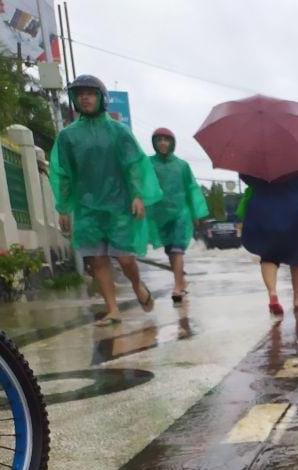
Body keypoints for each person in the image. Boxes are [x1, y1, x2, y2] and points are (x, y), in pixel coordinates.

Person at [49, 74, 163, 326]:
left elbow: (133, 165)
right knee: (97, 259)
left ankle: (136, 283)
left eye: (90, 93)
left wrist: (137, 195)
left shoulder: (118, 132)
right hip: (87, 207)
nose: (85, 98)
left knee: (124, 258)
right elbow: (64, 173)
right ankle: (112, 310)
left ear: (101, 98)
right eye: (80, 95)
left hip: (119, 205)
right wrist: (64, 207)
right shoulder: (68, 137)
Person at [239, 166, 298, 314]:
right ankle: (297, 300)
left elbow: (246, 177)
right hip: (296, 213)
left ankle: (273, 293)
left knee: (268, 256)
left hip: (265, 212)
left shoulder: (259, 159)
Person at [147, 128, 209, 303]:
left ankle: (177, 287)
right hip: (160, 214)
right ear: (154, 143)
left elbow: (191, 189)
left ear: (172, 143)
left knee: (177, 249)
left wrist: (196, 213)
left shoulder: (182, 166)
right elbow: (142, 184)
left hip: (181, 213)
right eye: (159, 140)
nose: (162, 143)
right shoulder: (148, 164)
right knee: (170, 251)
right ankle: (182, 280)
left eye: (166, 140)